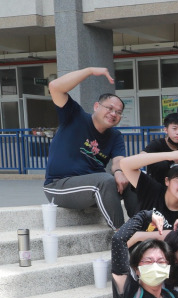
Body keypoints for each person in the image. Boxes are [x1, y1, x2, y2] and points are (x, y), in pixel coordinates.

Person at [42, 67, 136, 230]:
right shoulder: (74, 116)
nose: (114, 114)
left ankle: (142, 227)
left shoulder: (115, 136)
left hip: (93, 189)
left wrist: (120, 171)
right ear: (96, 106)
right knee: (105, 181)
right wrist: (90, 71)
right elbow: (55, 87)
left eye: (118, 112)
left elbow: (118, 161)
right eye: (109, 108)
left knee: (135, 179)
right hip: (59, 186)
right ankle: (123, 235)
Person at [118, 150, 178, 245]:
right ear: (167, 181)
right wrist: (169, 155)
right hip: (134, 251)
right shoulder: (153, 191)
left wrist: (139, 236)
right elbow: (125, 164)